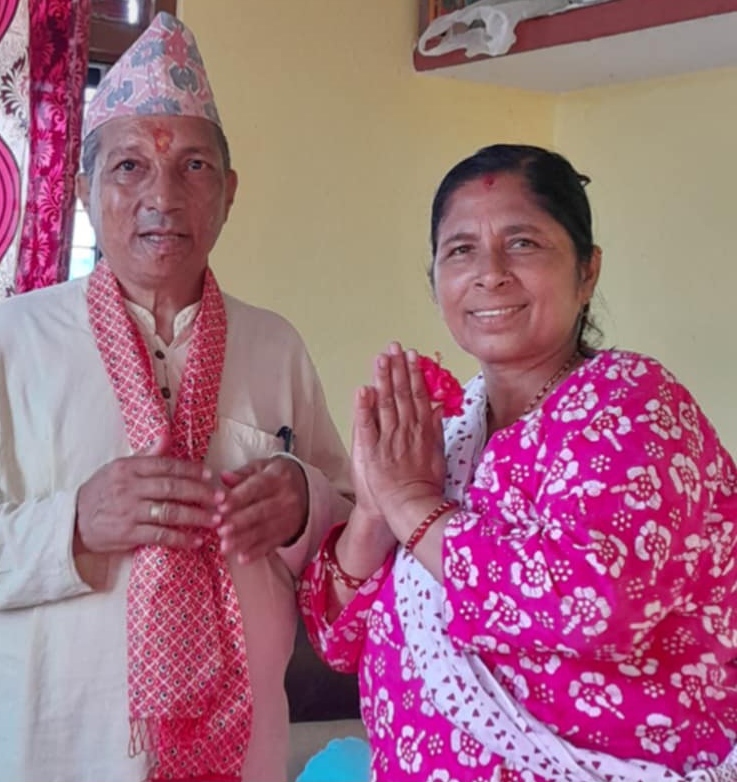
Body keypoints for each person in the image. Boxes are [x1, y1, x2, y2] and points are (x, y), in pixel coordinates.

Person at [0, 12, 351, 782]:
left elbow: (349, 526)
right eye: (130, 166)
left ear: (229, 193)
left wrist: (303, 502)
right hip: (44, 757)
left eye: (194, 166)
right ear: (84, 193)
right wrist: (70, 526)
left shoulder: (276, 346)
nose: (163, 196)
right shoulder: (12, 342)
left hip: (240, 757)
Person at [299, 144, 737, 781]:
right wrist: (373, 510)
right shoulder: (448, 436)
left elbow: (589, 602)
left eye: (523, 243)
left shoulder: (635, 406)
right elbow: (339, 639)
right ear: (435, 281)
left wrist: (412, 508)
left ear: (587, 272)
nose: (491, 273)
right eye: (460, 250)